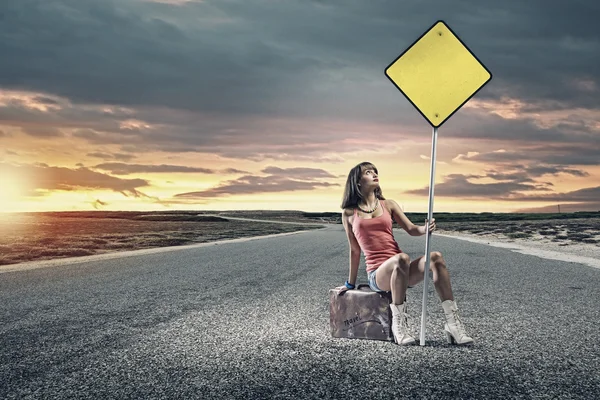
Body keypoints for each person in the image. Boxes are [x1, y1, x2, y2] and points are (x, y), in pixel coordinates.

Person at [337, 161, 473, 345]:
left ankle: (453, 324)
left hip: (402, 270)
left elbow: (411, 229)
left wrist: (424, 228)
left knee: (436, 257)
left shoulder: (389, 205)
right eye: (368, 172)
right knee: (401, 259)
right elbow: (354, 250)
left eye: (375, 171)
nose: (374, 174)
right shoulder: (348, 213)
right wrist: (350, 284)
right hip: (378, 275)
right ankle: (400, 325)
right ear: (358, 181)